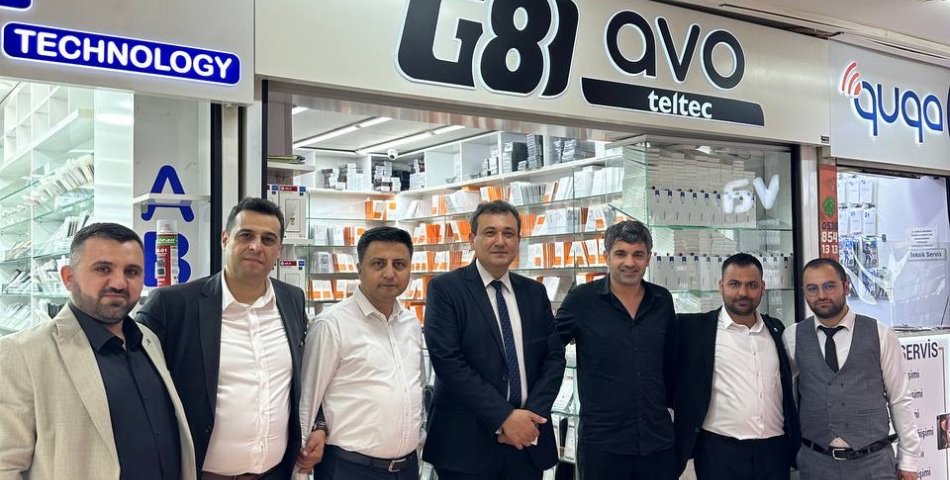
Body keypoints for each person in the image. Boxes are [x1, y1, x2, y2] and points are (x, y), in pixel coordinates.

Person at [0, 222, 197, 479]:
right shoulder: (23, 354)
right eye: (103, 269)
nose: (119, 282)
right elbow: (5, 466)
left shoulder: (148, 340)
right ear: (68, 277)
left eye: (132, 271)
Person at [138, 198, 317, 479]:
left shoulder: (292, 299)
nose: (256, 246)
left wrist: (318, 425)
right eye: (246, 235)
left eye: (268, 239)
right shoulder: (173, 305)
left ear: (279, 250)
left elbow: (305, 376)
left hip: (275, 473)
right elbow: (137, 386)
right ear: (225, 239)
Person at [423, 200, 566, 480]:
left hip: (526, 442)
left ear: (518, 241)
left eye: (508, 233)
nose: (500, 241)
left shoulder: (534, 293)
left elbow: (553, 358)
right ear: (472, 239)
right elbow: (448, 362)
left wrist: (529, 418)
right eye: (490, 232)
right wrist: (504, 418)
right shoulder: (445, 289)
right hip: (465, 446)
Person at [298, 226, 424, 479]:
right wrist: (301, 469)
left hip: (406, 469)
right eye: (378, 263)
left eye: (399, 264)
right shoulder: (332, 324)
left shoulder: (410, 323)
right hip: (350, 468)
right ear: (359, 269)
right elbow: (307, 400)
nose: (389, 273)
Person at [555, 219, 676, 480]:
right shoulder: (581, 300)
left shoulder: (662, 300)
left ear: (648, 258)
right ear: (606, 256)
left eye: (638, 254)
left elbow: (671, 363)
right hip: (603, 444)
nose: (630, 262)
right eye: (621, 253)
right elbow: (549, 350)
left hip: (656, 441)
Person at [784, 258, 922, 480]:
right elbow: (780, 393)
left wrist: (909, 460)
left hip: (873, 464)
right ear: (804, 292)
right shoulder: (793, 336)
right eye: (812, 288)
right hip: (815, 464)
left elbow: (899, 399)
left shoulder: (880, 334)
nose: (821, 295)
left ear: (846, 286)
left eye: (829, 286)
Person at [674, 253, 799, 480]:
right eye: (734, 284)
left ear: (762, 288)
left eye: (751, 285)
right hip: (719, 452)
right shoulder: (694, 329)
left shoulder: (776, 329)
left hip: (774, 452)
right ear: (721, 286)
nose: (743, 292)